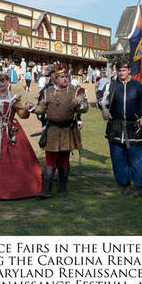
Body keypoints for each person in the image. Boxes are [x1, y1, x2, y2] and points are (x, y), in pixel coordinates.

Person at [25, 64, 88, 198]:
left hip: (67, 129)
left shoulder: (75, 90)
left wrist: (79, 103)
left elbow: (85, 106)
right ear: (55, 79)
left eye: (66, 76)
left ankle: (63, 188)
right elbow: (41, 109)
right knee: (50, 159)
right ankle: (46, 189)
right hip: (52, 129)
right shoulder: (47, 93)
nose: (65, 79)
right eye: (62, 77)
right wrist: (31, 108)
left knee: (64, 158)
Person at [100, 59, 142, 197]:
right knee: (118, 160)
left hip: (134, 128)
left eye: (124, 70)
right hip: (115, 127)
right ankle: (124, 184)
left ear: (129, 70)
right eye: (119, 70)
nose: (121, 73)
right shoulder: (111, 85)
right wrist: (104, 110)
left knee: (136, 160)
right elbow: (103, 101)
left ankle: (138, 186)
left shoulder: (138, 86)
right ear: (116, 71)